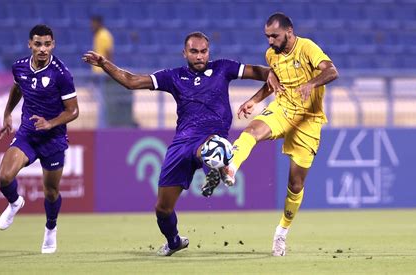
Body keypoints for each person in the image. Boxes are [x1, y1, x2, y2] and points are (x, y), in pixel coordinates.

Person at [83, 31, 276, 256]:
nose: (199, 56)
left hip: (210, 135)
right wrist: (105, 64)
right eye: (194, 51)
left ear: (209, 52)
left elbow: (258, 71)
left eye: (203, 51)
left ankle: (218, 165)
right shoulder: (173, 77)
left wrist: (271, 73)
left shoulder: (224, 67)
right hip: (182, 143)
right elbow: (132, 81)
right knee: (162, 209)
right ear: (184, 53)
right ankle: (174, 241)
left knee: (212, 148)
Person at [211, 13, 339, 256]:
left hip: (308, 121)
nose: (269, 41)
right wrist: (254, 100)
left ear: (289, 32)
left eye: (274, 36)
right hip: (283, 109)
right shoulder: (271, 55)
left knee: (295, 183)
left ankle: (281, 232)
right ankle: (231, 167)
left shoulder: (307, 47)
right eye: (267, 36)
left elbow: (332, 71)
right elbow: (273, 83)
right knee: (252, 130)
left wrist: (311, 84)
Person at [0, 24, 79, 254]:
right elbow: (18, 88)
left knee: (51, 191)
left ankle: (50, 229)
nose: (42, 49)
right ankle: (15, 202)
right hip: (28, 134)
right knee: (4, 177)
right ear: (30, 45)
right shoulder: (20, 67)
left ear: (53, 45)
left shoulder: (61, 74)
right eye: (38, 44)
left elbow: (73, 111)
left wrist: (50, 123)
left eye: (47, 44)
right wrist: (7, 114)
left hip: (53, 139)